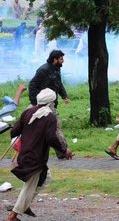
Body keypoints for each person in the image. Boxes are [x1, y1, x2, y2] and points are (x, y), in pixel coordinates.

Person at [7, 88, 73, 221]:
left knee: (45, 178)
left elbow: (14, 131)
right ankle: (13, 216)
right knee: (30, 187)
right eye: (53, 103)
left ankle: (24, 205)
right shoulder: (50, 117)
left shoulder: (27, 112)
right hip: (36, 158)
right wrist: (64, 150)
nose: (54, 105)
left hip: (26, 155)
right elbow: (51, 138)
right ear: (50, 103)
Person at [28, 50, 69, 159]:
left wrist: (64, 96)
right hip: (42, 104)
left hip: (52, 103)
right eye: (61, 59)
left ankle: (62, 152)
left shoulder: (56, 69)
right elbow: (32, 85)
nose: (63, 61)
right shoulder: (43, 70)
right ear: (55, 59)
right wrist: (34, 102)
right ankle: (63, 151)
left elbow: (58, 84)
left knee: (52, 128)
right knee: (54, 126)